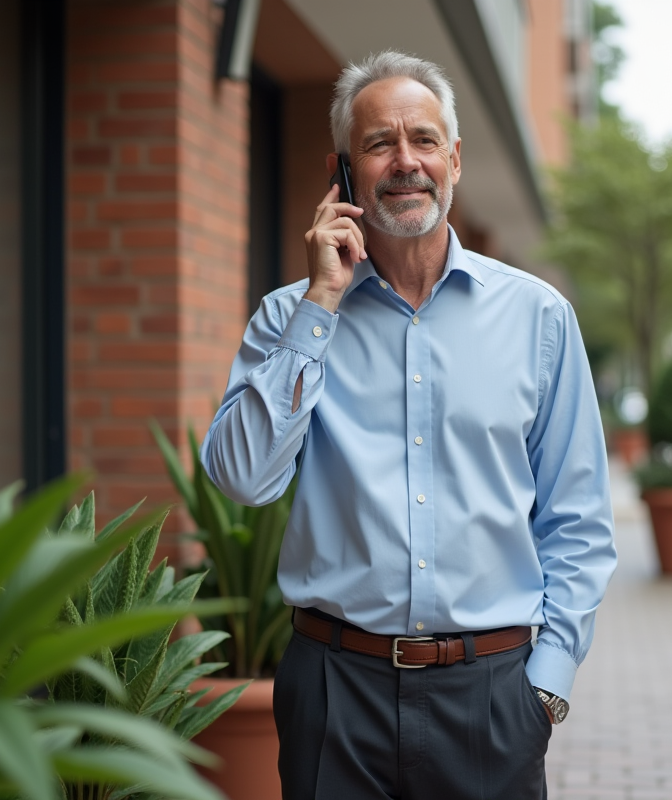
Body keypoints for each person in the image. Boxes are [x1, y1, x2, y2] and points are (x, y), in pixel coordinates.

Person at [201, 50, 616, 800]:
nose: (405, 162)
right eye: (379, 143)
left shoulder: (540, 320)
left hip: (493, 697)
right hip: (334, 693)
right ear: (343, 171)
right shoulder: (288, 318)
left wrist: (546, 685)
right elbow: (241, 479)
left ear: (454, 159)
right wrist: (320, 306)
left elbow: (579, 520)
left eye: (423, 140)